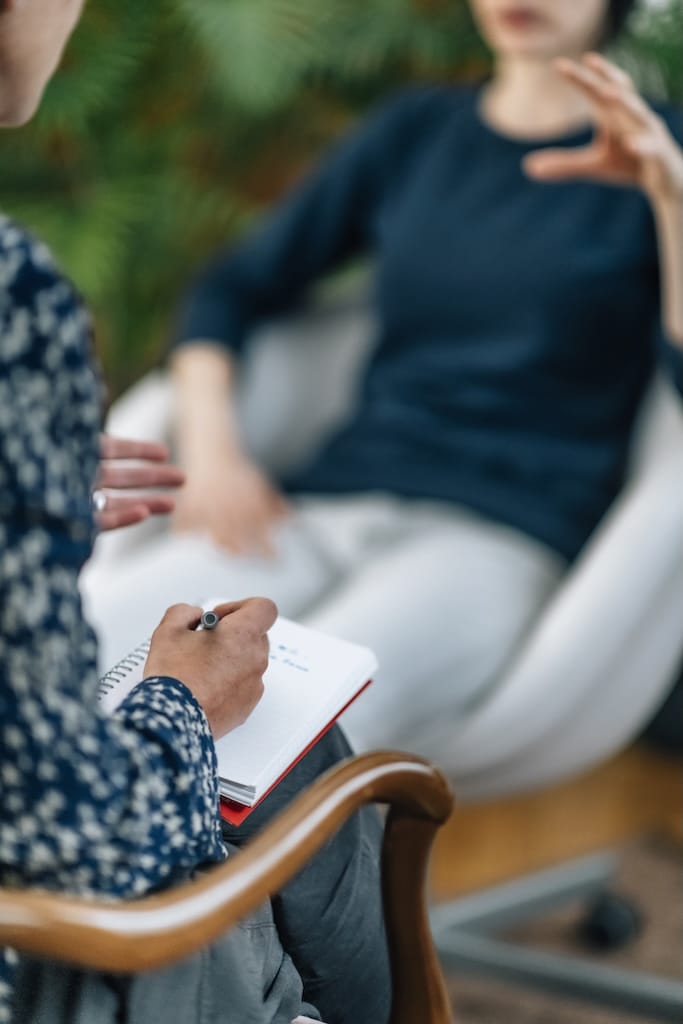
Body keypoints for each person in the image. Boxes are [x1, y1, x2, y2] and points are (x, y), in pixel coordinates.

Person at [83, 0, 683, 766]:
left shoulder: (659, 152)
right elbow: (233, 287)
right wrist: (213, 449)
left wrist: (669, 196)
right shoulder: (417, 133)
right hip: (320, 507)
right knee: (83, 646)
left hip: (497, 538)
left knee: (282, 739)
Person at [0, 2, 390, 1023]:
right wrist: (183, 705)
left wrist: (21, 496)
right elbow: (70, 842)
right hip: (36, 960)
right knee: (298, 748)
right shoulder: (12, 295)